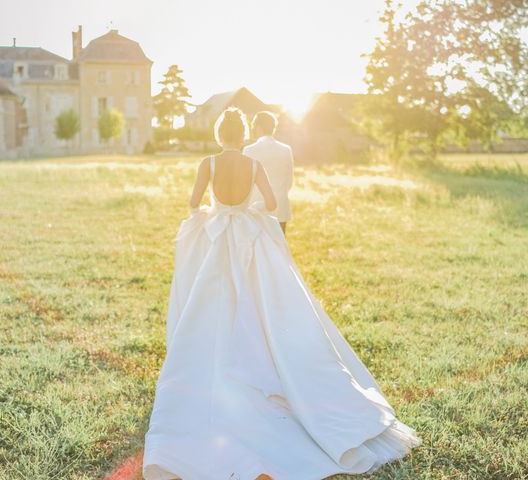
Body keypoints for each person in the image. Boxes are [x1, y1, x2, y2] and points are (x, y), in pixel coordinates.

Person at [142, 108, 421, 480]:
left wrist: (214, 209)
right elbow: (271, 205)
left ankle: (217, 358)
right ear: (243, 134)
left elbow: (194, 204)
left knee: (212, 301)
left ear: (218, 133)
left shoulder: (207, 163)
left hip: (218, 237)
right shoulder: (254, 164)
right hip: (247, 231)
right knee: (260, 303)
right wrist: (246, 209)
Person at [244, 111, 294, 234]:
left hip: (255, 209)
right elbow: (289, 181)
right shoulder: (286, 150)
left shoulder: (249, 150)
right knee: (279, 248)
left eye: (253, 125)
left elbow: (245, 183)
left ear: (259, 127)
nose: (252, 129)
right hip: (280, 207)